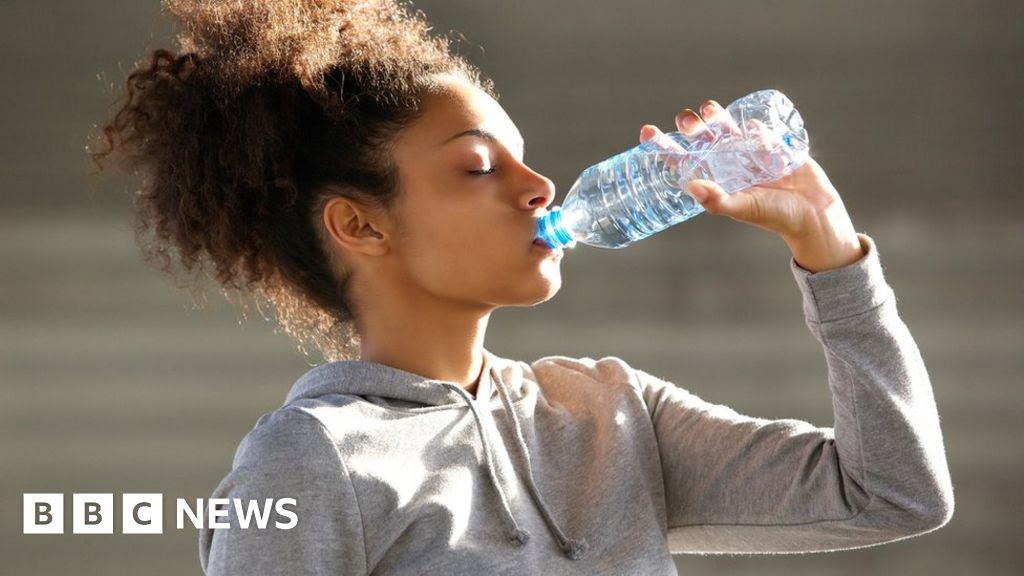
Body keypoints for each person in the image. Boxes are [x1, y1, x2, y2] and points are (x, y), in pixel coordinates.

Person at [89, 1, 954, 574]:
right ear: (361, 225)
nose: (539, 185)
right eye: (476, 167)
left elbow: (892, 492)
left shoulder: (610, 412)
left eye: (523, 154)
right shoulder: (312, 458)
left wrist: (832, 255)